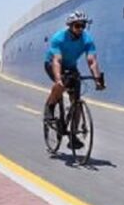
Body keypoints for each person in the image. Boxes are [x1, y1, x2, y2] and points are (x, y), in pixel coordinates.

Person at [43, 10, 105, 149]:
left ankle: (73, 136)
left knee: (76, 101)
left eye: (83, 25)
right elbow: (57, 61)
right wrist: (58, 79)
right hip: (52, 64)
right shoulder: (58, 38)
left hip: (71, 66)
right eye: (77, 26)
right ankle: (51, 106)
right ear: (70, 26)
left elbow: (92, 61)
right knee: (61, 84)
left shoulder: (87, 39)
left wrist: (97, 79)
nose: (80, 29)